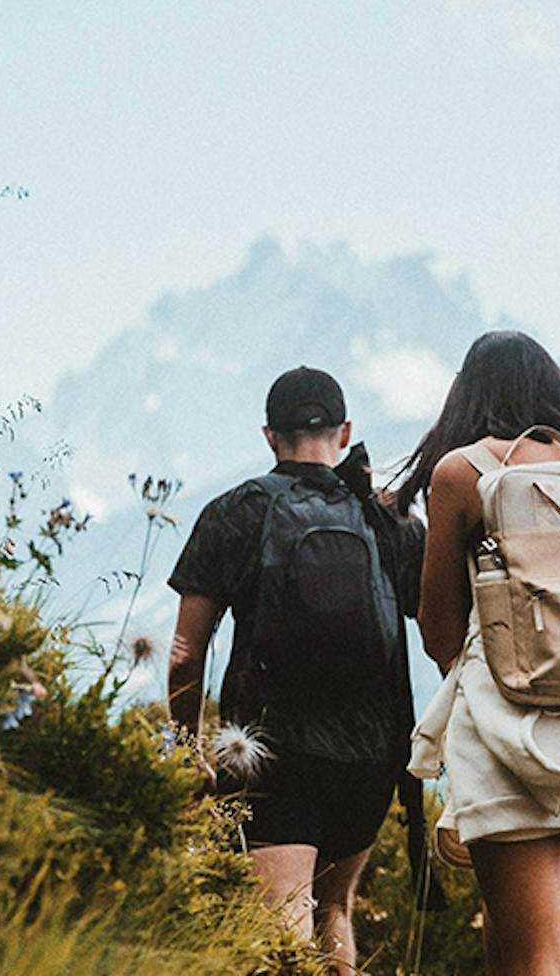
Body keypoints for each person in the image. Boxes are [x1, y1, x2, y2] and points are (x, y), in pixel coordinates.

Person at [397, 330, 560, 976]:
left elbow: (438, 628)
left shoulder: (463, 472)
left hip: (510, 732)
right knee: (516, 934)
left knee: (534, 948)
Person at [168, 366, 420, 973]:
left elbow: (184, 652)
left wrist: (185, 746)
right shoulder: (390, 521)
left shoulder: (236, 512)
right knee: (334, 911)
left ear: (268, 436)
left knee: (278, 930)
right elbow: (441, 631)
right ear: (345, 431)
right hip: (371, 754)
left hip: (271, 753)